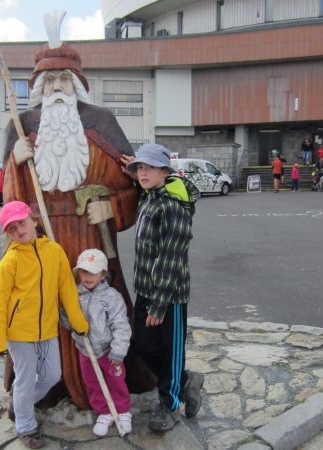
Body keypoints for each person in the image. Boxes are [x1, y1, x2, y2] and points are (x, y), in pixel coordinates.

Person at [1, 13, 152, 408]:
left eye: (64, 80)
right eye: (49, 80)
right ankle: (48, 385)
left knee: (96, 305)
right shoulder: (20, 126)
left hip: (89, 237)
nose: (57, 87)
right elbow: (10, 200)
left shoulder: (101, 121)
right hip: (42, 238)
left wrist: (112, 207)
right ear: (39, 86)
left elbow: (133, 183)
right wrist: (16, 161)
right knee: (42, 304)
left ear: (77, 84)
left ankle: (98, 384)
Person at [0, 201, 89, 449]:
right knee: (24, 379)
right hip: (18, 334)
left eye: (21, 223)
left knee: (52, 376)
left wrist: (79, 323)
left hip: (47, 329)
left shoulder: (54, 251)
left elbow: (67, 290)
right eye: (12, 228)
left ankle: (19, 402)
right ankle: (26, 426)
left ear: (34, 220)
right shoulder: (10, 261)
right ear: (8, 234)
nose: (19, 230)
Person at [123, 143, 204, 432]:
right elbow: (145, 183)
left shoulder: (173, 208)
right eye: (140, 168)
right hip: (146, 290)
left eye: (150, 168)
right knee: (144, 346)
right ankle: (186, 381)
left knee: (171, 351)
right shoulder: (149, 198)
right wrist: (136, 174)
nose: (143, 173)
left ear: (165, 171)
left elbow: (171, 259)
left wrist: (159, 304)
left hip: (169, 295)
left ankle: (170, 406)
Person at [60, 249, 133, 436]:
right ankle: (104, 412)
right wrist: (65, 314)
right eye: (84, 271)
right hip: (86, 350)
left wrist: (118, 351)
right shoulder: (74, 295)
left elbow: (121, 325)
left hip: (109, 352)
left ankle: (123, 411)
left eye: (93, 272)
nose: (88, 276)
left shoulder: (112, 297)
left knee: (116, 381)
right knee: (92, 383)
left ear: (103, 274)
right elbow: (69, 324)